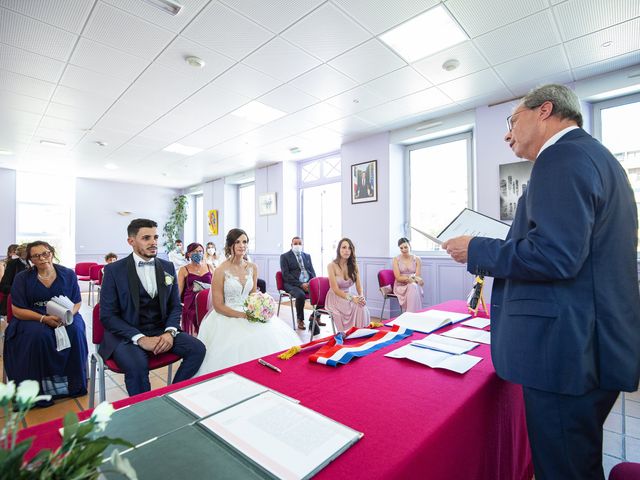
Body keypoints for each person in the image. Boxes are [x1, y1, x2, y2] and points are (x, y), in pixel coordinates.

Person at [442, 84, 640, 480]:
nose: (507, 133)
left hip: (565, 354)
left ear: (544, 111)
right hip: (593, 344)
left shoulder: (560, 158)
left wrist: (477, 249)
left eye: (512, 120)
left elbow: (555, 255)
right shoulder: (599, 159)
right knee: (577, 460)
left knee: (563, 469)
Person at [99, 219, 206, 396]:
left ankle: (172, 395)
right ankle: (145, 409)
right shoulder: (113, 271)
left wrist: (170, 332)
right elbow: (108, 316)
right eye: (146, 238)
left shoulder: (167, 266)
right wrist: (140, 338)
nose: (153, 242)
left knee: (197, 349)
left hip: (161, 329)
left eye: (155, 237)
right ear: (131, 241)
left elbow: (174, 305)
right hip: (126, 335)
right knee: (137, 366)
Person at [196, 228, 299, 375]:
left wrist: (260, 307)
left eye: (244, 242)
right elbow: (218, 306)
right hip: (227, 315)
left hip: (250, 310)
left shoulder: (252, 267)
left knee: (270, 335)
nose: (241, 245)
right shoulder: (220, 270)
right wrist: (243, 315)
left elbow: (252, 296)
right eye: (237, 242)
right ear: (229, 245)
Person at [5, 241, 89, 405]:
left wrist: (68, 315)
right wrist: (43, 319)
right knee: (39, 336)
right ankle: (36, 390)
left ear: (52, 253)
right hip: (33, 316)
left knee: (75, 331)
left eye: (45, 253)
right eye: (36, 256)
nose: (42, 258)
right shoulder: (22, 278)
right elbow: (17, 310)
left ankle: (74, 384)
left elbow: (77, 302)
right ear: (30, 259)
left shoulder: (68, 274)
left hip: (65, 315)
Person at [326, 238, 370, 331]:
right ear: (339, 249)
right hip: (335, 297)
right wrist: (352, 298)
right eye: (344, 247)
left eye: (349, 248)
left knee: (361, 305)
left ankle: (361, 334)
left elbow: (359, 286)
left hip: (348, 295)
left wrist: (361, 296)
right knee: (357, 305)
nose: (347, 250)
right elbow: (335, 289)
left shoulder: (354, 265)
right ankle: (351, 334)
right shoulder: (331, 266)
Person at [280, 236, 322, 330]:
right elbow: (286, 275)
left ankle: (315, 316)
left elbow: (312, 271)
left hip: (307, 283)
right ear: (291, 245)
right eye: (295, 243)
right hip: (292, 284)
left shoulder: (307, 256)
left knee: (321, 292)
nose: (297, 245)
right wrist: (300, 284)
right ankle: (300, 320)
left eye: (299, 243)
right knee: (300, 295)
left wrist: (312, 283)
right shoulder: (284, 256)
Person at [178, 242, 214, 335]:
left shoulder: (209, 267)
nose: (198, 254)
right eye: (195, 251)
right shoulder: (184, 269)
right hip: (191, 302)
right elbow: (179, 290)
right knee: (194, 318)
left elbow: (215, 284)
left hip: (207, 299)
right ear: (189, 254)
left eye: (200, 251)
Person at [392, 237, 424, 312]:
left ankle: (411, 314)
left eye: (406, 247)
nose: (403, 250)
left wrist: (415, 280)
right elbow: (398, 277)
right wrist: (409, 278)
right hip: (400, 285)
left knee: (413, 286)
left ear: (410, 246)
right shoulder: (396, 259)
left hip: (414, 283)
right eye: (401, 248)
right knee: (413, 286)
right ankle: (413, 314)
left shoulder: (417, 259)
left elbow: (418, 276)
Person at [0, 243, 28, 315]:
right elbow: (4, 286)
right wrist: (18, 291)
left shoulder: (36, 264)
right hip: (17, 299)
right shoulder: (13, 264)